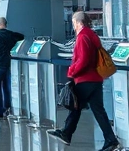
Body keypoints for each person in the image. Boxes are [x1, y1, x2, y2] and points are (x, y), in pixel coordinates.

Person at [47, 11, 120, 151]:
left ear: (77, 22)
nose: (73, 25)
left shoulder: (83, 36)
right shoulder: (92, 35)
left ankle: (66, 133)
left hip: (85, 78)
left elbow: (84, 60)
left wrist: (72, 71)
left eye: (73, 22)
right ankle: (110, 140)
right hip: (96, 78)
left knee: (76, 106)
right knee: (98, 110)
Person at [0, 17, 24, 119]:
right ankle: (7, 107)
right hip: (6, 64)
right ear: (6, 24)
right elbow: (21, 36)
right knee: (6, 87)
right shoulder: (10, 34)